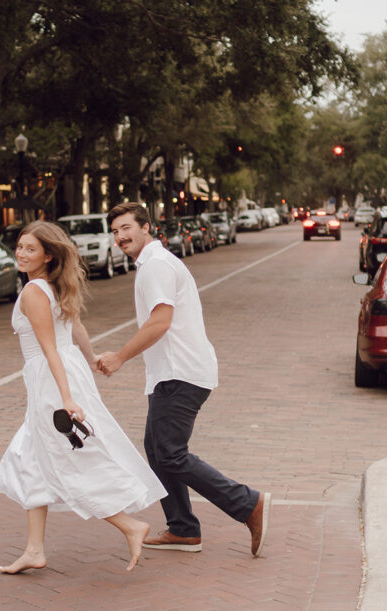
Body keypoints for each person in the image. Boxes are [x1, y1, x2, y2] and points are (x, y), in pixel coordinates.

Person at [96, 202, 270, 557]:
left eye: (126, 228)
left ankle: (247, 503)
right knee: (158, 451)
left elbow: (160, 321)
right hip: (174, 372)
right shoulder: (154, 263)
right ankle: (183, 529)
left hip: (180, 372)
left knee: (170, 454)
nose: (120, 237)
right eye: (115, 231)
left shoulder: (155, 265)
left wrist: (120, 357)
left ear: (146, 227)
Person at [0, 220, 166, 574]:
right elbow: (76, 329)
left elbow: (50, 349)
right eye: (20, 247)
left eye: (30, 249)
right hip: (64, 372)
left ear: (48, 255)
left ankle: (130, 525)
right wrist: (91, 361)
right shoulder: (55, 287)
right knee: (30, 459)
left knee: (69, 460)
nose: (21, 254)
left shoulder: (32, 293)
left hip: (51, 381)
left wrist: (67, 398)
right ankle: (34, 550)